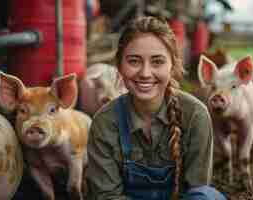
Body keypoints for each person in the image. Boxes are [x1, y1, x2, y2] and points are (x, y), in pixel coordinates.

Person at [86, 16, 226, 200]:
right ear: (119, 66)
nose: (145, 73)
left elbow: (196, 189)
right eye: (134, 61)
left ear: (172, 65)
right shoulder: (105, 122)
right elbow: (106, 196)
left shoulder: (195, 115)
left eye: (157, 61)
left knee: (206, 196)